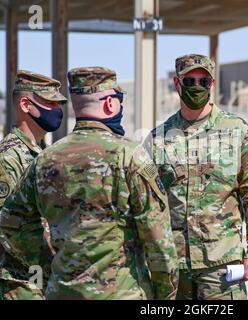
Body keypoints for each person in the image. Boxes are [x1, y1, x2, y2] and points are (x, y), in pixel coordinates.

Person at [0, 67, 178, 300]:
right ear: (109, 104)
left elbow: (13, 223)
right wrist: (166, 297)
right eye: (118, 100)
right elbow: (158, 239)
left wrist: (53, 266)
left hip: (63, 292)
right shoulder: (131, 156)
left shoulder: (44, 159)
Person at [145, 54, 248, 300]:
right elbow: (147, 202)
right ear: (177, 83)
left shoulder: (237, 131)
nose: (197, 87)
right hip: (173, 266)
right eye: (190, 81)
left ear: (212, 84)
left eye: (204, 81)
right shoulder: (160, 137)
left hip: (221, 265)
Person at [0, 70, 67, 300]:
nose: (57, 110)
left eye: (57, 103)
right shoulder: (9, 156)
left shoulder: (39, 153)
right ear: (26, 105)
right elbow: (8, 226)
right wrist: (50, 264)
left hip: (39, 276)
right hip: (20, 280)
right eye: (49, 102)